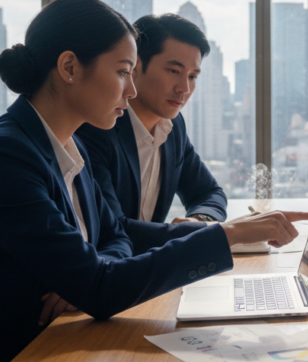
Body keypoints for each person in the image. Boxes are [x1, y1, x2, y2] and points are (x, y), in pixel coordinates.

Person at [0, 0, 308, 362]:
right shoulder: (2, 157)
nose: (131, 90)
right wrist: (222, 237)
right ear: (68, 67)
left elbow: (114, 233)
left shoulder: (69, 144)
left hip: (46, 353)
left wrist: (94, 267)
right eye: (122, 72)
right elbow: (99, 290)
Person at [77, 14, 225, 253]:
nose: (184, 89)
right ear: (134, 67)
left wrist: (199, 221)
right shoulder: (98, 129)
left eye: (192, 76)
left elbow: (208, 193)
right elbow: (115, 228)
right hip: (109, 275)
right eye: (174, 71)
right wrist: (206, 234)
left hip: (149, 273)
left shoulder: (173, 128)